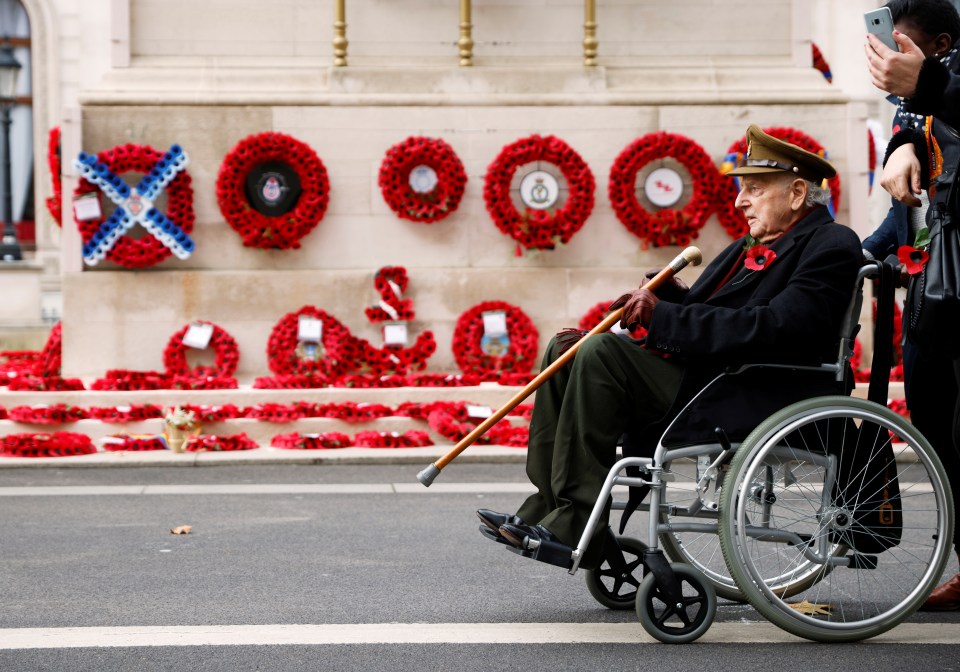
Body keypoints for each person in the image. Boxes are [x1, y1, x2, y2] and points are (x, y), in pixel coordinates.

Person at [476, 125, 863, 570]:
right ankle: (550, 509)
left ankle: (575, 522)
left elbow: (779, 326)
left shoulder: (832, 243)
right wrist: (668, 296)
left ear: (797, 193)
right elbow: (707, 309)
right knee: (565, 348)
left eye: (754, 189)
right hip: (713, 377)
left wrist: (663, 315)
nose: (740, 201)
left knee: (601, 356)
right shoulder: (749, 245)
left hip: (755, 388)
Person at [865, 0, 960, 611]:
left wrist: (930, 87)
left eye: (904, 45)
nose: (890, 56)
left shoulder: (941, 81)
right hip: (942, 271)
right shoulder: (925, 98)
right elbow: (917, 144)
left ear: (942, 45)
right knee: (932, 416)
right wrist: (901, 140)